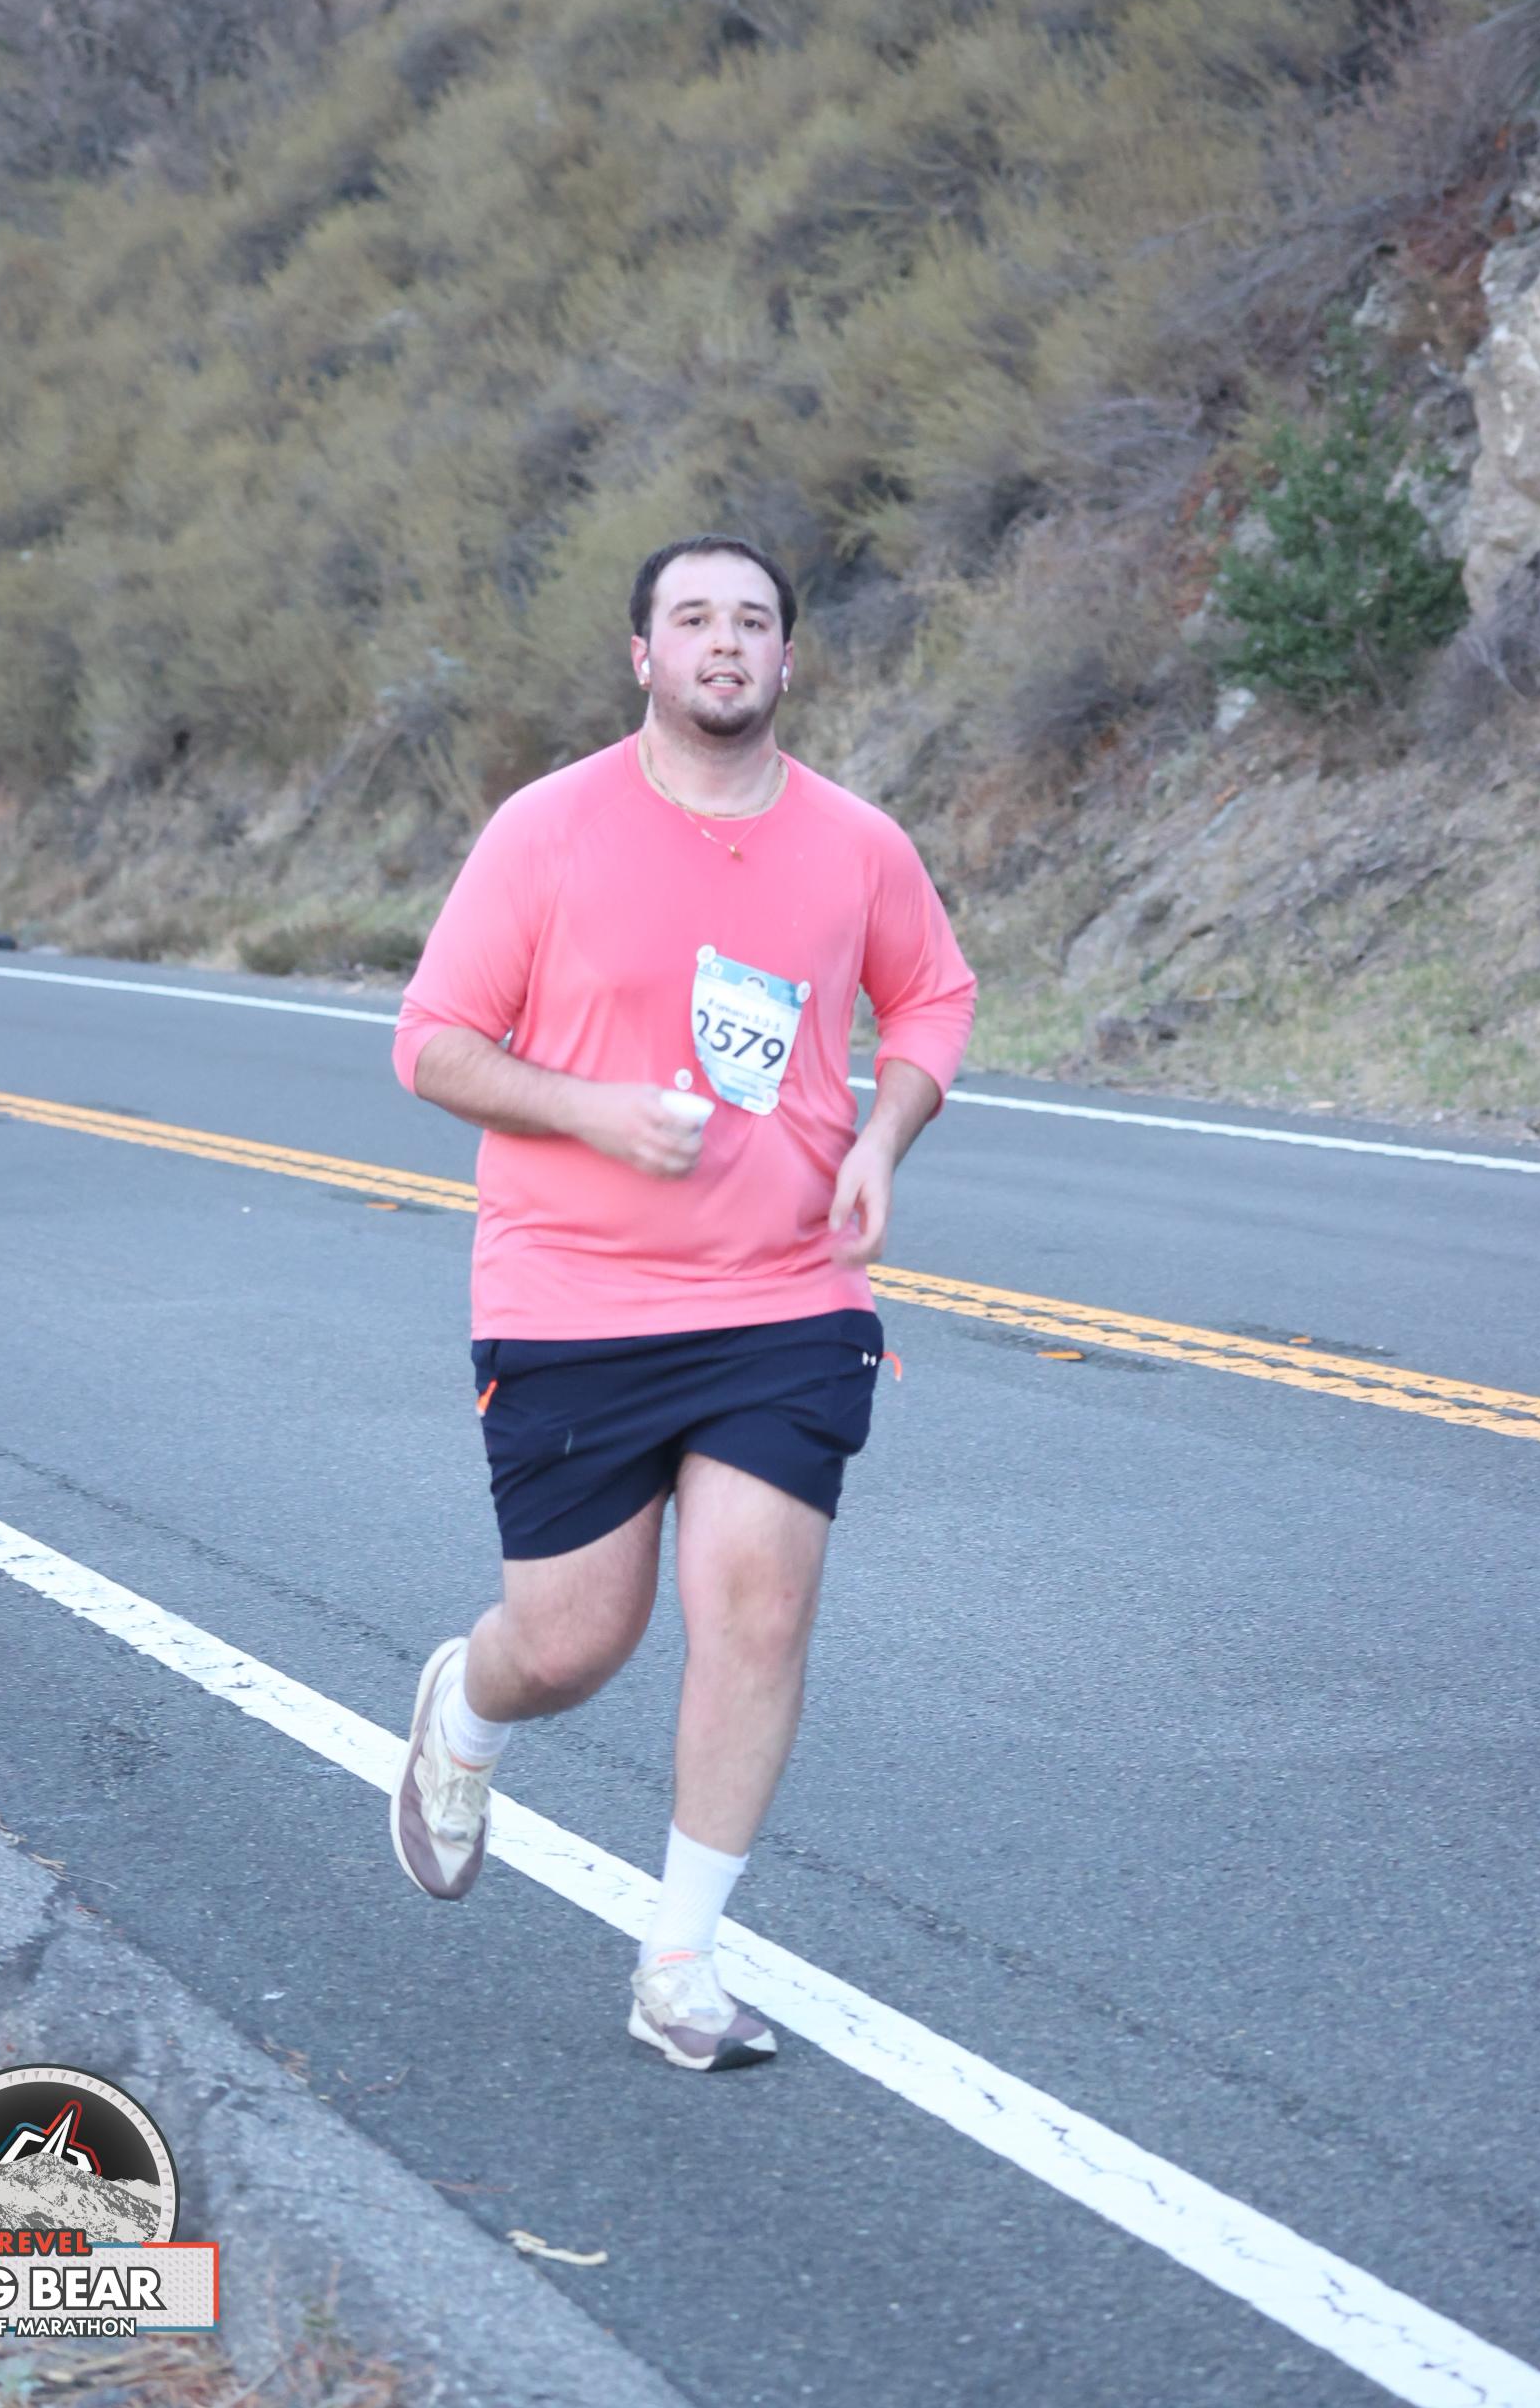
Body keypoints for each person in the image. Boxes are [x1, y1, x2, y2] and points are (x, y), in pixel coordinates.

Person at [389, 535, 976, 2071]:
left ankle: (682, 1963)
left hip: (787, 1292)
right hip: (573, 1295)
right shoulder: (548, 828)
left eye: (755, 621)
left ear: (788, 658)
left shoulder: (855, 843)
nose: (727, 642)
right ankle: (468, 1707)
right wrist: (589, 1111)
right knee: (574, 1642)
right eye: (695, 619)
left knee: (759, 1608)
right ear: (643, 655)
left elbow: (932, 994)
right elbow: (433, 1041)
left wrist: (884, 1135)